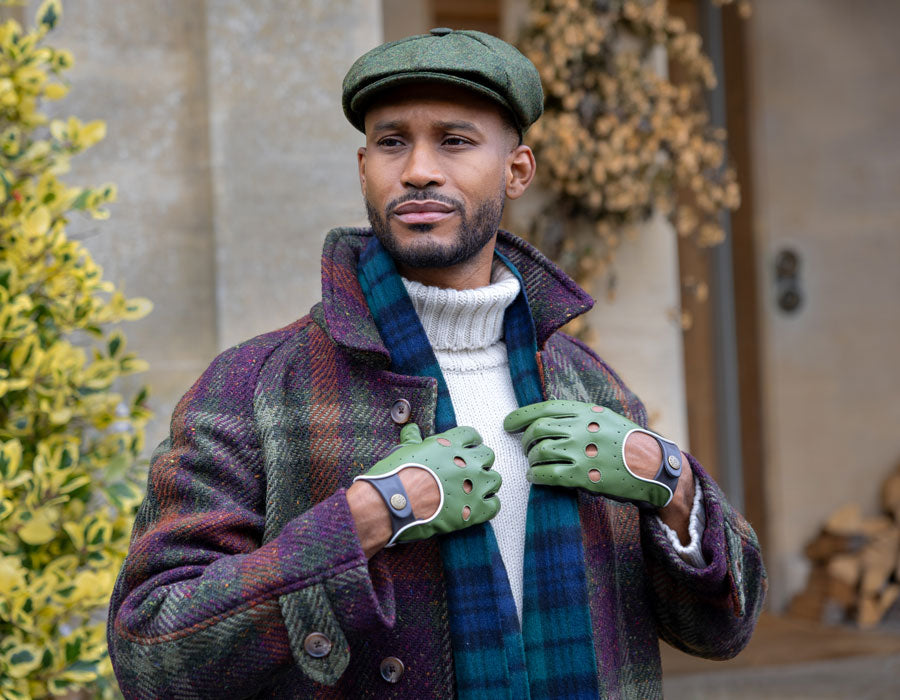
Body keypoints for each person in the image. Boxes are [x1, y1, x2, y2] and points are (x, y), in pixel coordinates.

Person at [107, 28, 766, 699]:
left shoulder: (592, 386)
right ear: (364, 166)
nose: (419, 168)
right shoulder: (252, 387)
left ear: (518, 169)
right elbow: (151, 655)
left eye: (455, 140)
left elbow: (723, 630)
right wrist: (367, 516)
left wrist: (673, 483)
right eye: (393, 141)